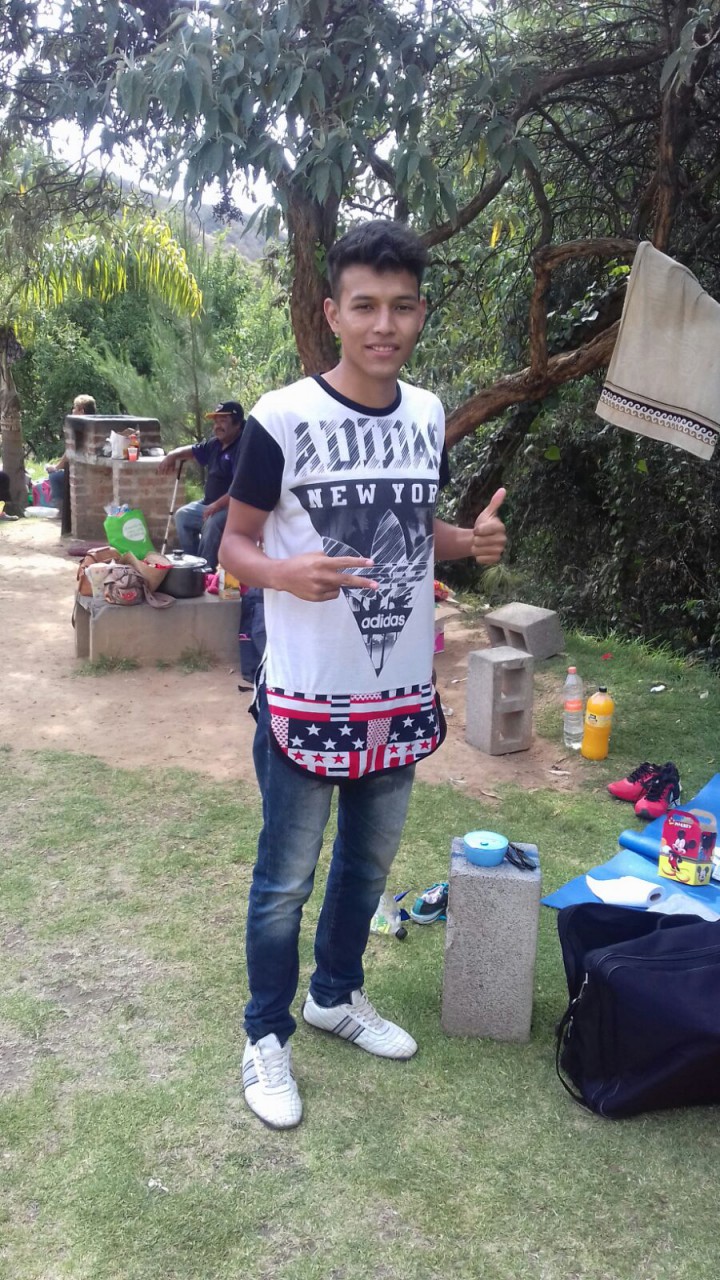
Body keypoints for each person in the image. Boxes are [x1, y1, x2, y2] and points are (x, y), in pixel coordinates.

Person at [220, 220, 506, 1130]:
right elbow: (232, 543)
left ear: (420, 314)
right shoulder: (280, 418)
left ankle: (335, 995)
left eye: (402, 307)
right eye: (366, 306)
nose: (385, 325)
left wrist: (471, 543)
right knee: (285, 881)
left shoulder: (427, 416)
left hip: (397, 697)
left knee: (367, 867)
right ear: (332, 313)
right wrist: (282, 573)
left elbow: (415, 530)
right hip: (305, 697)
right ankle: (265, 1036)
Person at [158, 401, 245, 571]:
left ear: (238, 424)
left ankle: (205, 571)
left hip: (234, 507)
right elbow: (193, 450)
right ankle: (192, 565)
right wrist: (172, 455)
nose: (217, 426)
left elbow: (241, 486)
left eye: (223, 421)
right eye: (216, 422)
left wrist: (216, 505)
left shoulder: (244, 447)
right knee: (183, 516)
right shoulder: (215, 444)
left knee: (212, 524)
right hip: (210, 504)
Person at [46, 394, 96, 506]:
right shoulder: (95, 425)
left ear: (81, 411)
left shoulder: (80, 427)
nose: (72, 411)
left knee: (55, 477)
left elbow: (70, 452)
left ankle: (60, 509)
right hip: (90, 468)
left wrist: (56, 468)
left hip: (82, 471)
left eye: (74, 408)